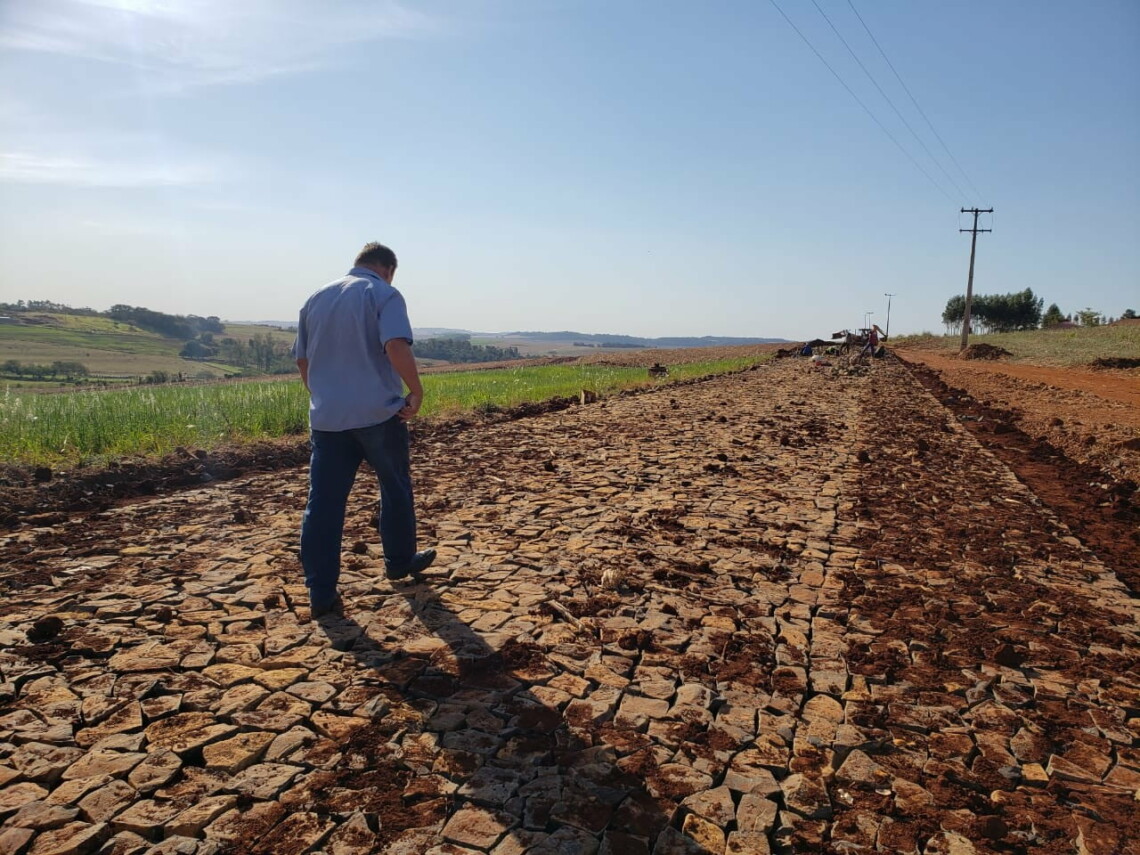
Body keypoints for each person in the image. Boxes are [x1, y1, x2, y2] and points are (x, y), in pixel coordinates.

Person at [292, 242, 436, 617]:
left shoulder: (316, 298)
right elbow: (395, 345)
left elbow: (303, 361)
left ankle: (320, 591)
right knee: (394, 487)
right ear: (388, 268)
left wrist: (323, 395)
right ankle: (399, 561)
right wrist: (416, 392)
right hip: (377, 414)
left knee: (322, 503)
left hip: (327, 420)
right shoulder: (384, 293)